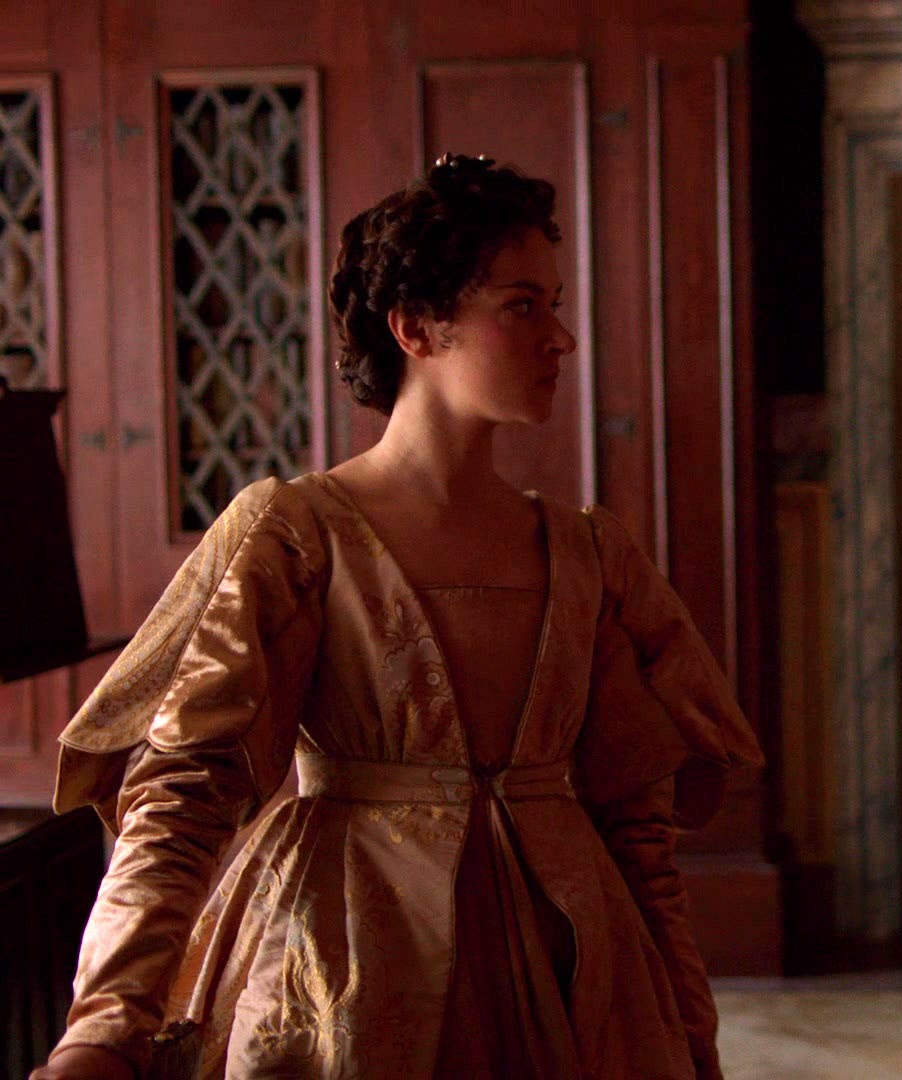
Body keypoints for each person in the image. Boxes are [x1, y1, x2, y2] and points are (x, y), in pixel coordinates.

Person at [32, 153, 763, 1080]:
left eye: (554, 304)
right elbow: (180, 792)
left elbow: (637, 829)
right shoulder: (297, 534)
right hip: (347, 963)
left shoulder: (588, 553)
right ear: (416, 327)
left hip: (571, 972)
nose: (561, 339)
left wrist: (689, 1033)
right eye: (522, 306)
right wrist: (105, 1025)